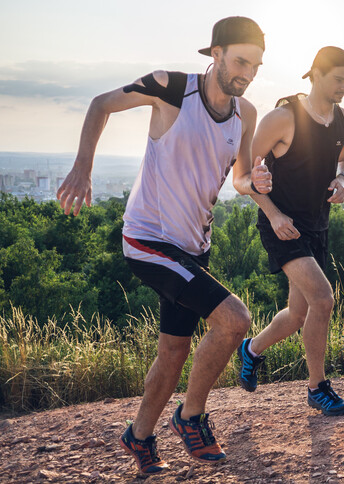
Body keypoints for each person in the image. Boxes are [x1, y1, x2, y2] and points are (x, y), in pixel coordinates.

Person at [56, 17, 268, 474]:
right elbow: (100, 104)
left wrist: (257, 180)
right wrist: (83, 168)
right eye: (240, 61)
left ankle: (139, 436)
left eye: (256, 65)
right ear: (215, 53)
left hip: (194, 245)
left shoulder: (244, 114)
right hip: (149, 239)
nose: (248, 74)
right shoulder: (171, 87)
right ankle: (190, 417)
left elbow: (241, 177)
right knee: (235, 321)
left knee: (173, 352)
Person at [232, 46, 344, 416]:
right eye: (338, 79)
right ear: (315, 74)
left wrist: (342, 178)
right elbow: (241, 175)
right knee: (323, 299)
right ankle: (317, 388)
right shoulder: (282, 119)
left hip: (318, 224)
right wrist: (271, 214)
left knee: (297, 314)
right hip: (281, 225)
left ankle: (250, 350)